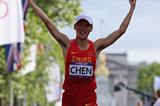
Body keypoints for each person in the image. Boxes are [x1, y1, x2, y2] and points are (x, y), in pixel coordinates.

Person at [28, 0, 136, 105]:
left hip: (88, 98)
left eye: (86, 25)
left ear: (91, 29)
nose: (83, 28)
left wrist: (132, 8)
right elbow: (47, 21)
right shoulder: (67, 44)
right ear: (75, 27)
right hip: (69, 98)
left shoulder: (95, 47)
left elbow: (121, 30)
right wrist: (30, 2)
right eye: (80, 24)